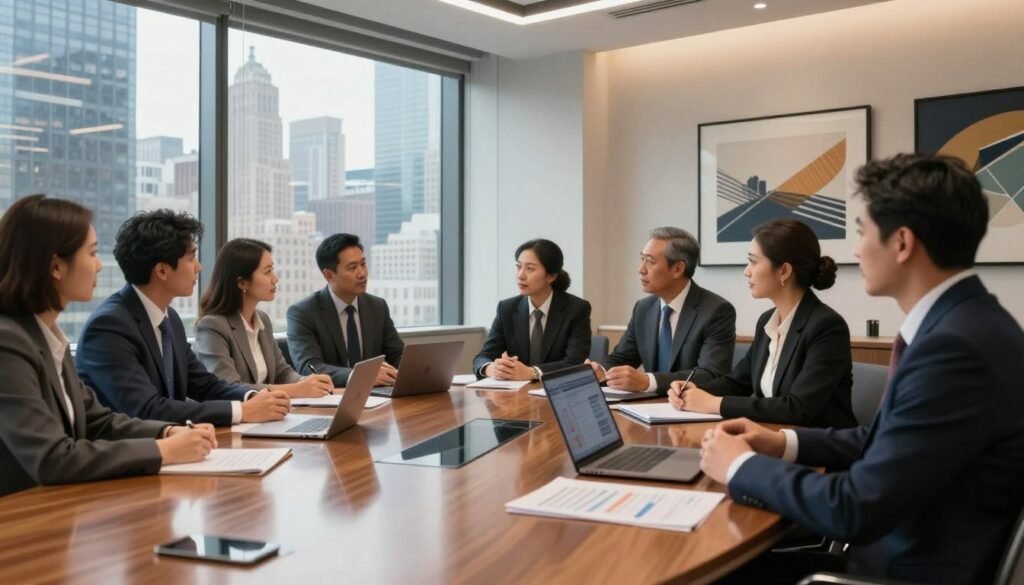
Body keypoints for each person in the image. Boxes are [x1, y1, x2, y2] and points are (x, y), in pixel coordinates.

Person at [701, 154, 1024, 585]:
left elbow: (855, 508)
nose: (854, 250)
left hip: (899, 573)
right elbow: (884, 439)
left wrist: (740, 466)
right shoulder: (966, 325)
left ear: (902, 243)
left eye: (861, 232)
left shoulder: (955, 348)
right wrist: (780, 443)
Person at [0, 195, 216, 497]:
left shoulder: (45, 336)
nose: (100, 266)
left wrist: (166, 431)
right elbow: (52, 458)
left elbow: (98, 421)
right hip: (20, 521)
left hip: (58, 508)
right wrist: (162, 449)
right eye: (91, 253)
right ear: (56, 267)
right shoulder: (8, 342)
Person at [75, 210, 290, 427]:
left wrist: (253, 397)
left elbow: (205, 385)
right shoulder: (109, 327)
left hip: (177, 444)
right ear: (162, 271)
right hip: (133, 453)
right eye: (191, 258)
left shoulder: (170, 319)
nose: (199, 267)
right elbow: (147, 409)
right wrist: (242, 411)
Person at [668, 219, 856, 428]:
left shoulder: (827, 327)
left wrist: (714, 404)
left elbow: (797, 408)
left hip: (817, 449)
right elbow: (739, 382)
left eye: (754, 262)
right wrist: (694, 389)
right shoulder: (767, 321)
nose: (746, 271)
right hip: (771, 436)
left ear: (784, 271)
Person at [590, 227, 735, 393]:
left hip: (692, 409)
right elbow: (623, 357)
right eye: (642, 259)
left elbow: (710, 374)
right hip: (646, 408)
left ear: (678, 269)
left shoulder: (716, 311)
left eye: (650, 261)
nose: (641, 269)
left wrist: (648, 381)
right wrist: (600, 370)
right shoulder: (643, 308)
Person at [194, 238, 334, 396]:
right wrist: (298, 389)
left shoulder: (263, 320)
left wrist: (307, 382)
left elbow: (282, 373)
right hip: (238, 417)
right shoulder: (212, 326)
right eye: (267, 272)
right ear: (242, 283)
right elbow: (229, 387)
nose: (275, 278)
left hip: (272, 413)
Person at [287, 233, 404, 388]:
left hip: (378, 396)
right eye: (352, 268)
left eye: (363, 264)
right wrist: (361, 376)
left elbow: (398, 356)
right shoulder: (303, 313)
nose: (362, 273)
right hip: (332, 400)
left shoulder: (377, 307)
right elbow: (309, 367)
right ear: (329, 275)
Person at [473, 239, 591, 380]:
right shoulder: (506, 309)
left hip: (556, 393)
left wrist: (532, 372)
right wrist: (491, 368)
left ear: (551, 276)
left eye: (530, 268)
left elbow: (575, 362)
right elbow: (483, 356)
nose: (520, 275)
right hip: (515, 395)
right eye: (518, 267)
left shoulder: (576, 309)